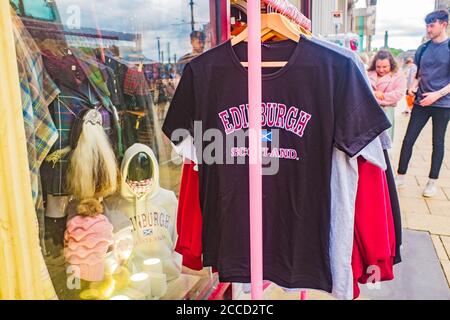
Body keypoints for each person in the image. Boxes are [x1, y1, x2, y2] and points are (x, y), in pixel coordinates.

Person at [396, 10, 450, 197]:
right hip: (421, 102)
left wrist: (436, 95)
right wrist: (412, 87)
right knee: (408, 139)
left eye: (431, 25)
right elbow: (419, 75)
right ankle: (400, 177)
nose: (428, 29)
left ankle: (432, 183)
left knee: (438, 142)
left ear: (443, 24)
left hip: (443, 104)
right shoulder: (423, 49)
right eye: (426, 25)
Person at [367, 50, 407, 142]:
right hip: (368, 112)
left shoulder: (398, 76)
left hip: (386, 111)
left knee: (384, 141)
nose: (381, 70)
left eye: (385, 67)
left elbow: (398, 94)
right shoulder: (368, 74)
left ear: (391, 64)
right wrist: (375, 94)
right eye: (378, 67)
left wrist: (380, 96)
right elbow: (362, 89)